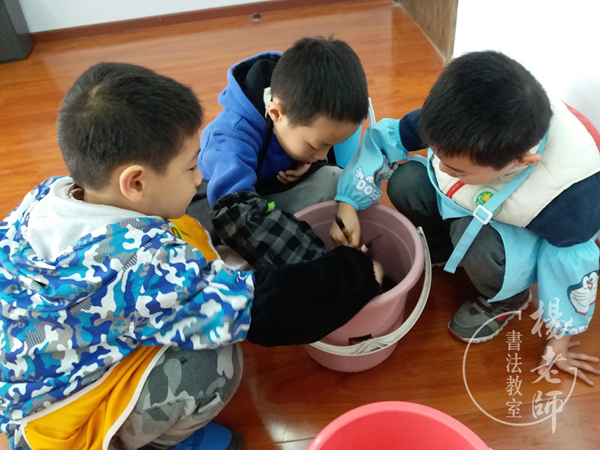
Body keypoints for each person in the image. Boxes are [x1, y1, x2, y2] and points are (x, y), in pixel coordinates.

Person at [0, 62, 384, 450]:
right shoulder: (142, 264)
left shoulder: (48, 195)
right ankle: (150, 443)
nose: (199, 177)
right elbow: (263, 309)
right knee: (216, 364)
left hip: (32, 373)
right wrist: (360, 271)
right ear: (135, 182)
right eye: (189, 167)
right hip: (56, 422)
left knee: (186, 231)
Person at [331, 51, 600, 385]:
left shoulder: (571, 199)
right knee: (406, 181)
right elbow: (387, 139)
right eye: (439, 156)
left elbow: (572, 267)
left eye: (456, 169)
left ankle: (506, 299)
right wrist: (348, 202)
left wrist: (560, 340)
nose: (443, 169)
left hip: (515, 233)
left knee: (476, 245)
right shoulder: (461, 120)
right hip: (475, 199)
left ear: (520, 162)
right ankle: (442, 247)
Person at [188, 36, 369, 268]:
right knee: (231, 261)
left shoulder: (299, 110)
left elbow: (320, 156)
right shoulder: (230, 136)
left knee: (333, 179)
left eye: (329, 146)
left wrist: (310, 164)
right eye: (316, 146)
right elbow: (234, 214)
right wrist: (325, 268)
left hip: (266, 195)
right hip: (218, 208)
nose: (321, 154)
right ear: (276, 114)